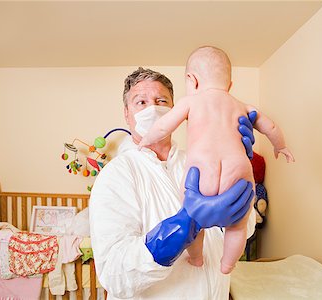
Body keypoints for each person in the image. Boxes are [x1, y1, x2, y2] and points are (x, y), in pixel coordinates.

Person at [89, 67, 257, 299]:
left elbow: (246, 229)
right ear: (126, 113)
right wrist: (183, 226)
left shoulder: (199, 161)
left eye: (161, 100)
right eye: (141, 102)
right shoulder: (116, 175)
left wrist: (237, 173)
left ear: (175, 109)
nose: (153, 108)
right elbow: (115, 275)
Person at [139, 46, 295, 274]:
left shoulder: (190, 102)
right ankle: (228, 264)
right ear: (229, 85)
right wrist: (280, 146)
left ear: (192, 80)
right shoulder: (242, 106)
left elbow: (162, 126)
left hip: (201, 171)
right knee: (237, 225)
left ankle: (196, 258)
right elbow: (270, 126)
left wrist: (145, 140)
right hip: (238, 170)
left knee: (193, 218)